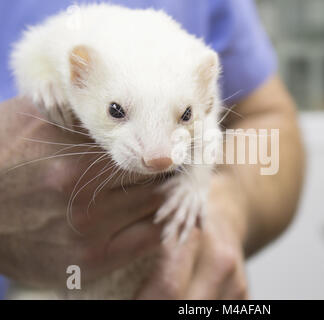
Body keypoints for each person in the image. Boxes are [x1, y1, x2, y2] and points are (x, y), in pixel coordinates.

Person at [0, 0, 305, 299]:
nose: (159, 156)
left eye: (184, 116)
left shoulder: (188, 52)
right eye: (117, 112)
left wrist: (218, 199)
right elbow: (31, 56)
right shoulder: (67, 40)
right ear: (77, 76)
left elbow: (256, 117)